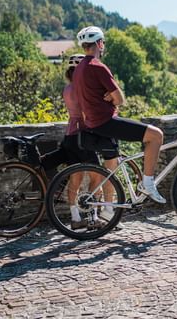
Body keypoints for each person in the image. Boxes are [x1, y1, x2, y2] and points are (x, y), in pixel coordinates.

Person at [73, 26, 167, 205]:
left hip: (93, 124)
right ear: (99, 43)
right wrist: (111, 98)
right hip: (107, 122)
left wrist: (108, 97)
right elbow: (120, 99)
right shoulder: (97, 67)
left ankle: (109, 212)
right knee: (156, 136)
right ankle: (147, 183)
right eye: (103, 43)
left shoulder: (79, 70)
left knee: (111, 168)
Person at [60, 54, 104, 228]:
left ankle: (76, 218)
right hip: (84, 136)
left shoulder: (67, 88)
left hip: (70, 135)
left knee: (75, 180)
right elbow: (88, 113)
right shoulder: (81, 89)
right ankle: (93, 217)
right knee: (97, 177)